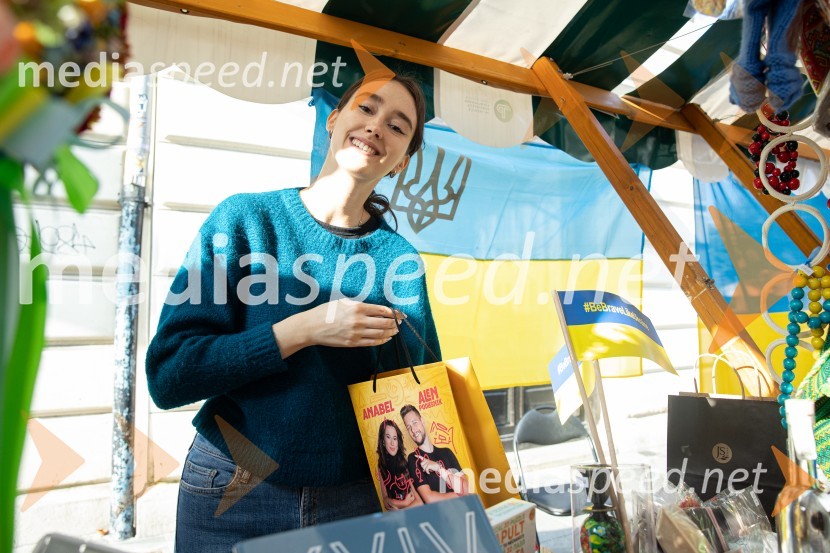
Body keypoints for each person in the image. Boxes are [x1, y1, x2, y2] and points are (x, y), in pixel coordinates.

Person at [145, 73, 441, 553]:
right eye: (366, 109)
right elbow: (169, 376)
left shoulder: (398, 261)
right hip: (235, 478)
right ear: (333, 120)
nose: (375, 127)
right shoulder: (244, 220)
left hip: (355, 495)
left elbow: (418, 396)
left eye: (397, 125)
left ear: (401, 160)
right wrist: (302, 330)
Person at [399, 404, 470, 503]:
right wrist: (461, 494)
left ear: (422, 421)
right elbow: (430, 499)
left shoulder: (447, 452)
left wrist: (439, 468)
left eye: (415, 423)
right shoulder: (414, 459)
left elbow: (466, 488)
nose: (413, 430)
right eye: (408, 427)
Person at [376, 419, 423, 510]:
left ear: (398, 441)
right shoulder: (381, 466)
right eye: (388, 437)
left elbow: (419, 502)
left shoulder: (405, 463)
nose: (392, 443)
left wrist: (400, 509)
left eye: (395, 438)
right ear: (383, 441)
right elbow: (385, 500)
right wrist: (404, 503)